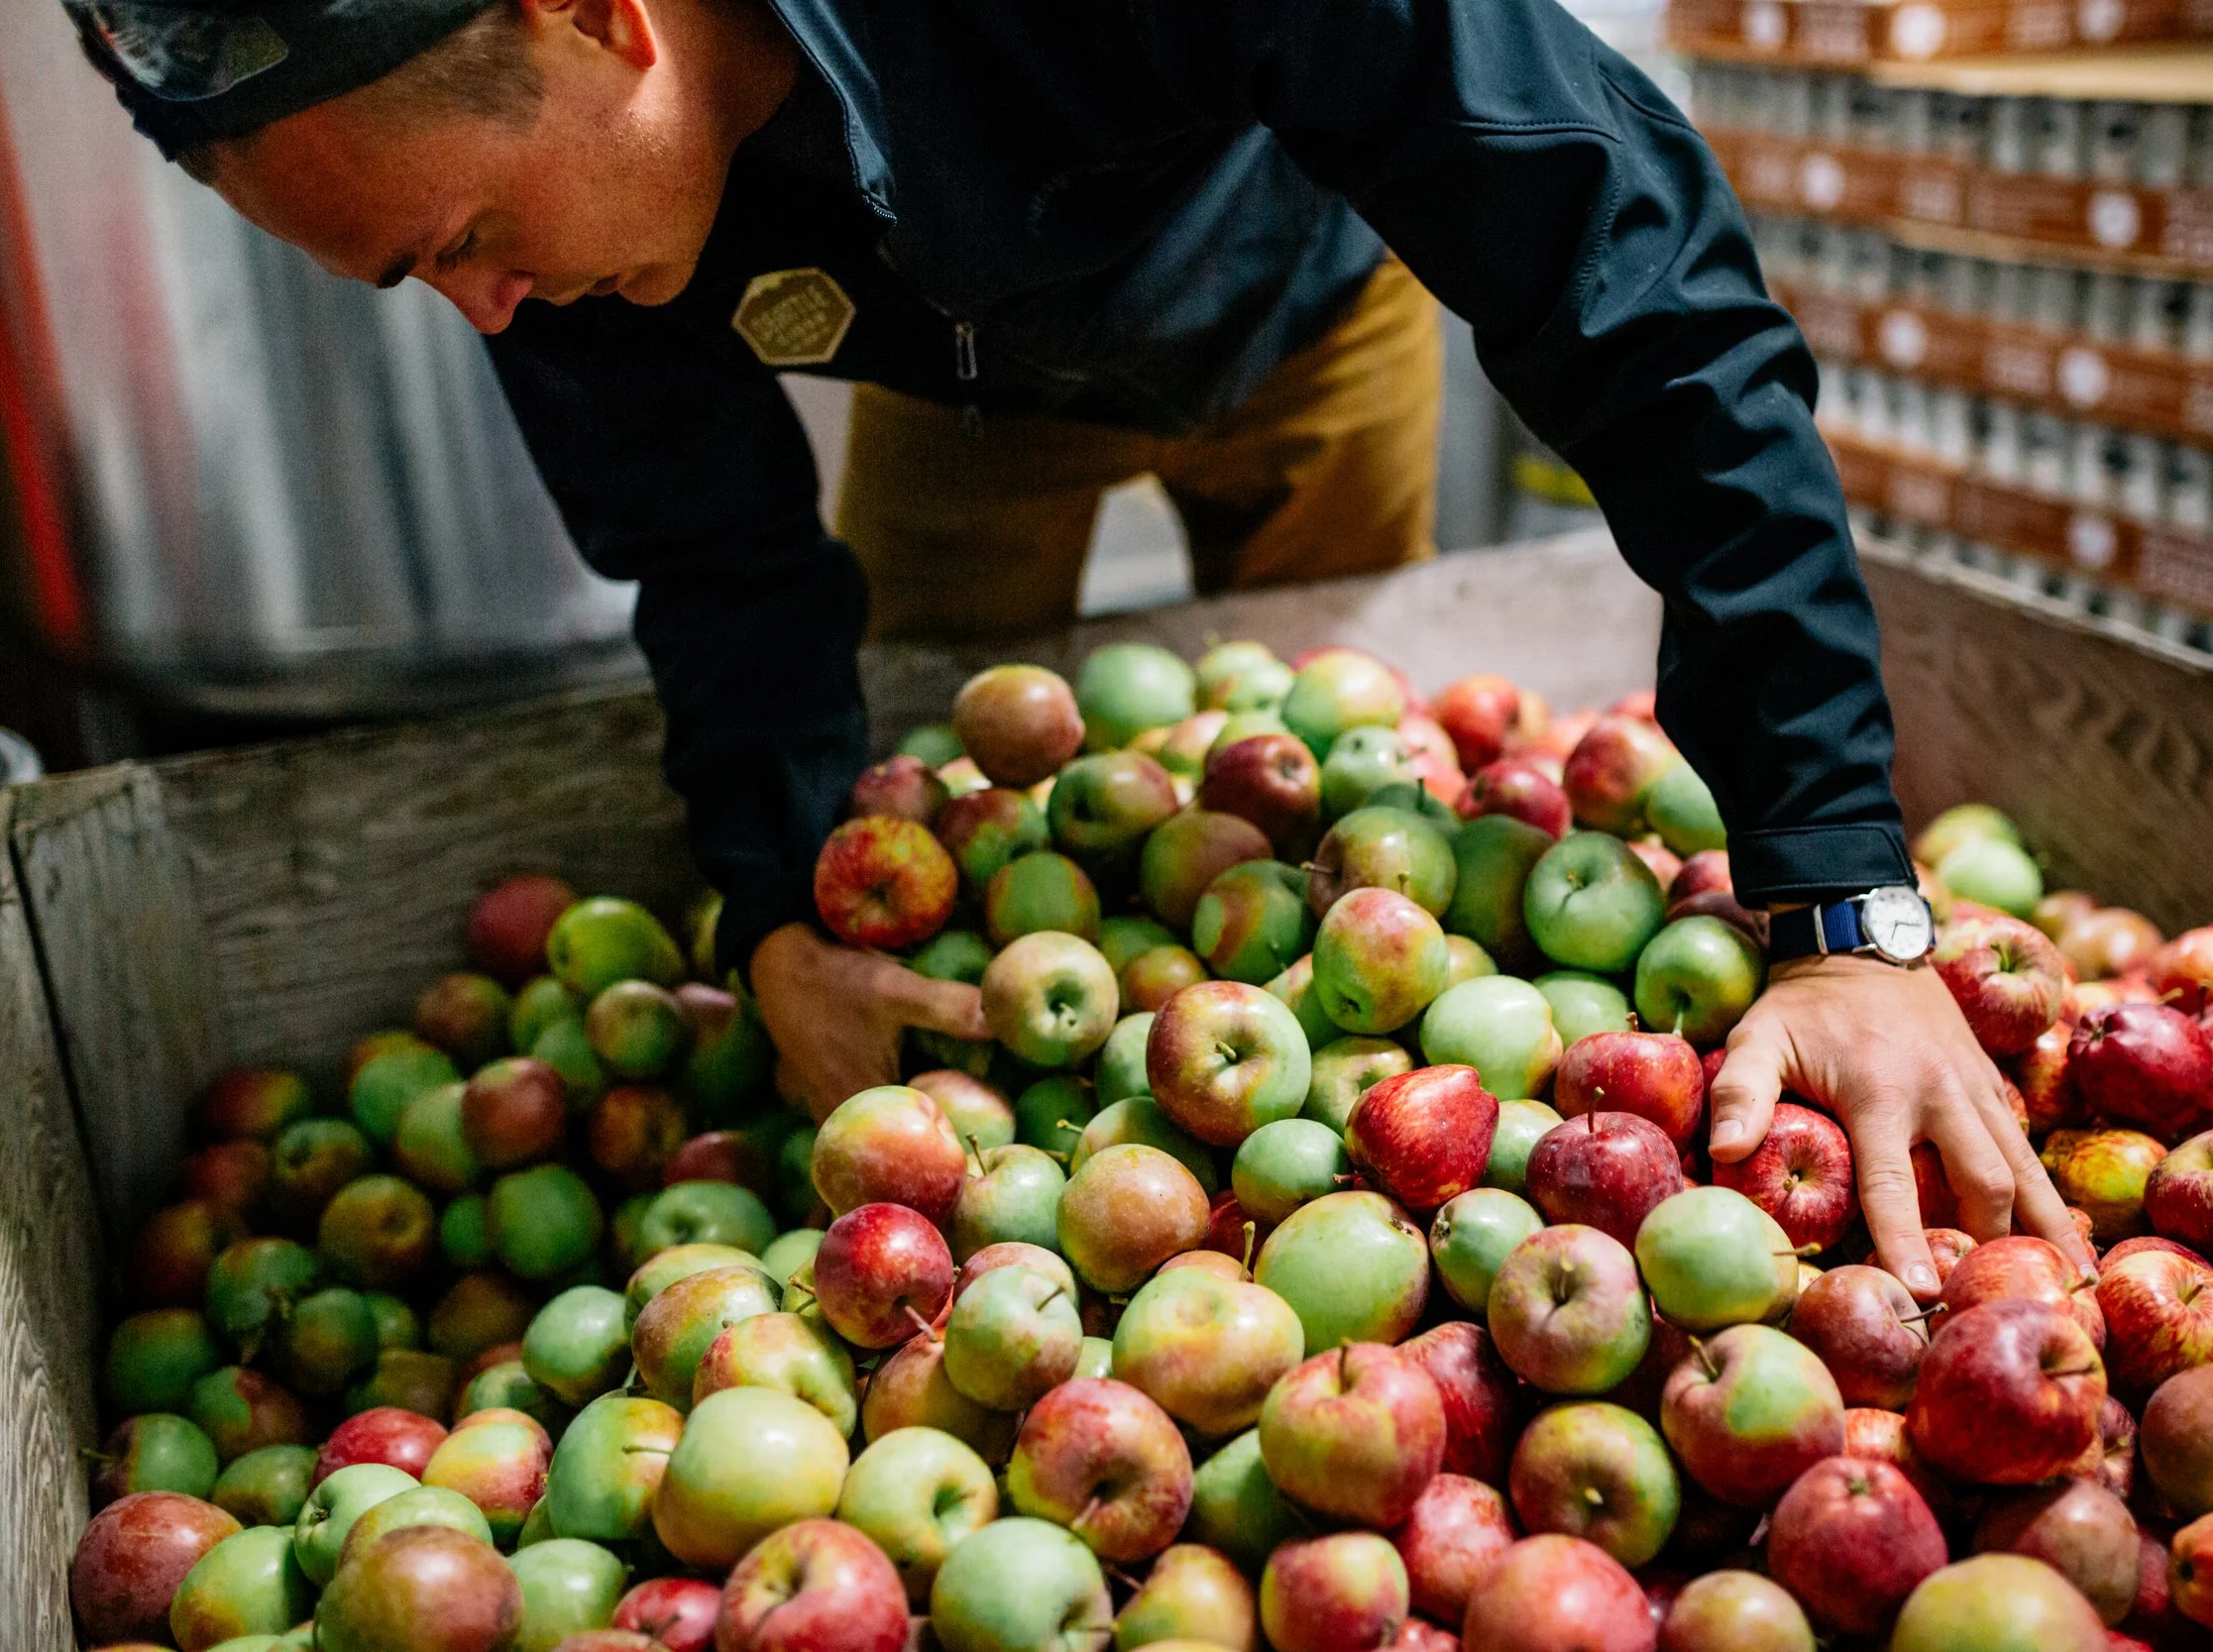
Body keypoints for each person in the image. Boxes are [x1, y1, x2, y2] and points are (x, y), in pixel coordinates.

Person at [67, 0, 2086, 1294]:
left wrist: (1838, 892)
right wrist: (779, 911)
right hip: (962, 400)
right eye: (428, 275)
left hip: (1303, 312)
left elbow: (1637, 294)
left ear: (591, 21)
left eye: (459, 241)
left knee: (1351, 754)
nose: (487, 310)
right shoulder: (562, 237)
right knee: (956, 839)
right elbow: (713, 557)